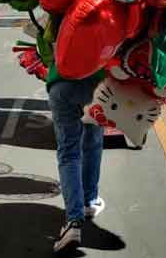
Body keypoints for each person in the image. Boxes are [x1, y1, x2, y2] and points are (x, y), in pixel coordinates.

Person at [48, 72, 106, 252]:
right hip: (99, 88)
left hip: (62, 86)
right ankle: (89, 201)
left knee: (69, 154)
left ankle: (73, 222)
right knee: (93, 143)